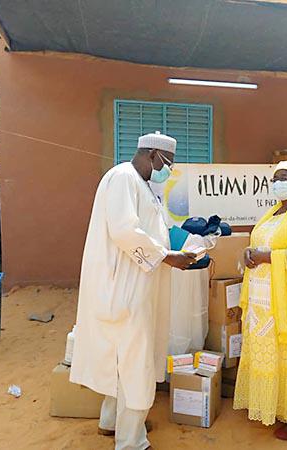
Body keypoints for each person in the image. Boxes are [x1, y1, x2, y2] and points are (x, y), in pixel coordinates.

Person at [70, 132, 196, 450]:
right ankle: (132, 441)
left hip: (135, 287)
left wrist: (188, 244)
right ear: (152, 155)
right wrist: (169, 257)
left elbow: (156, 229)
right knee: (135, 364)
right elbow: (125, 231)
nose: (167, 170)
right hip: (125, 290)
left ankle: (112, 422)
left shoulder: (143, 186)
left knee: (122, 360)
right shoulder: (123, 178)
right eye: (167, 163)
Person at [233, 160, 287, 441]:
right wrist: (249, 253)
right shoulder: (272, 213)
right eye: (275, 178)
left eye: (284, 177)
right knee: (264, 353)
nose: (278, 182)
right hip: (261, 299)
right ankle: (267, 407)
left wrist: (265, 256)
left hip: (284, 300)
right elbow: (260, 243)